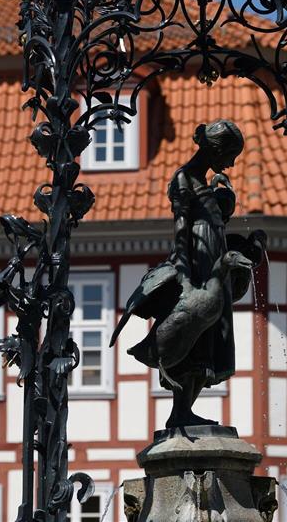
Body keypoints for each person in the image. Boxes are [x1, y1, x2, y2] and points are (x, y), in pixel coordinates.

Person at [110, 120, 266, 428]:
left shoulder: (204, 182)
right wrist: (183, 272)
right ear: (215, 149)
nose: (232, 163)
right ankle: (180, 413)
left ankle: (184, 412)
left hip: (212, 259)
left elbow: (213, 221)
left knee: (207, 341)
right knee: (192, 338)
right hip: (197, 262)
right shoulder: (183, 178)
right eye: (230, 155)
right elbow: (181, 230)